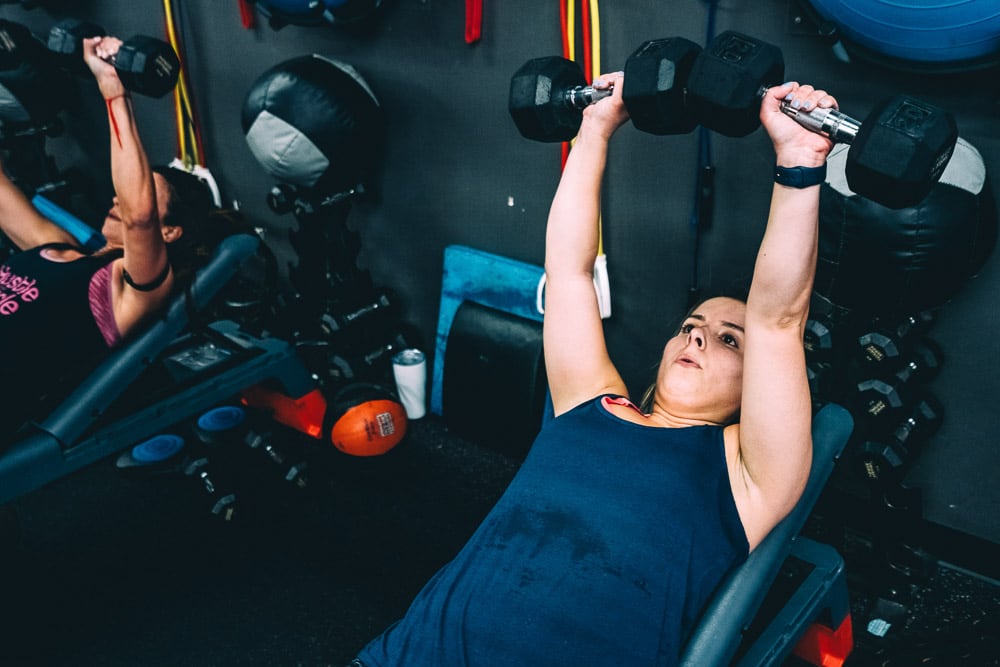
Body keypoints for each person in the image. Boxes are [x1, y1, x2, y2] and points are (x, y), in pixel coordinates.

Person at [352, 76, 837, 666]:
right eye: (692, 325)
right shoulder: (589, 404)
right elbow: (569, 270)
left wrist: (800, 160)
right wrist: (596, 127)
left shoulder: (746, 474)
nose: (697, 337)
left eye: (729, 340)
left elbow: (778, 321)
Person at [0, 36, 216, 442]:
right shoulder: (54, 244)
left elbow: (139, 215)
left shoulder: (132, 290)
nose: (119, 198)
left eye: (142, 193)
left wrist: (114, 91)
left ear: (169, 232)